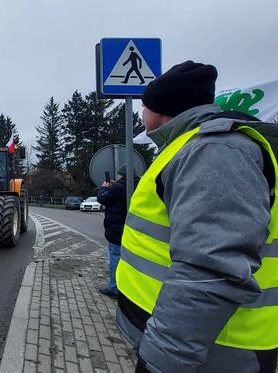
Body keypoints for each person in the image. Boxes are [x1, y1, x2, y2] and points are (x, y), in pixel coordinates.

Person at [115, 61, 278, 372]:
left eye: (143, 105)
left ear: (161, 108)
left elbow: (211, 268)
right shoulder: (190, 147)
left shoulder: (214, 151)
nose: (140, 113)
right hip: (199, 346)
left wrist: (164, 358)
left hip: (212, 352)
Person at [96, 164, 129, 299]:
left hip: (116, 230)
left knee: (115, 256)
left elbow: (101, 198)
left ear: (121, 175)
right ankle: (126, 285)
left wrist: (104, 187)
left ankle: (114, 287)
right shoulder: (138, 184)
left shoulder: (118, 187)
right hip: (130, 229)